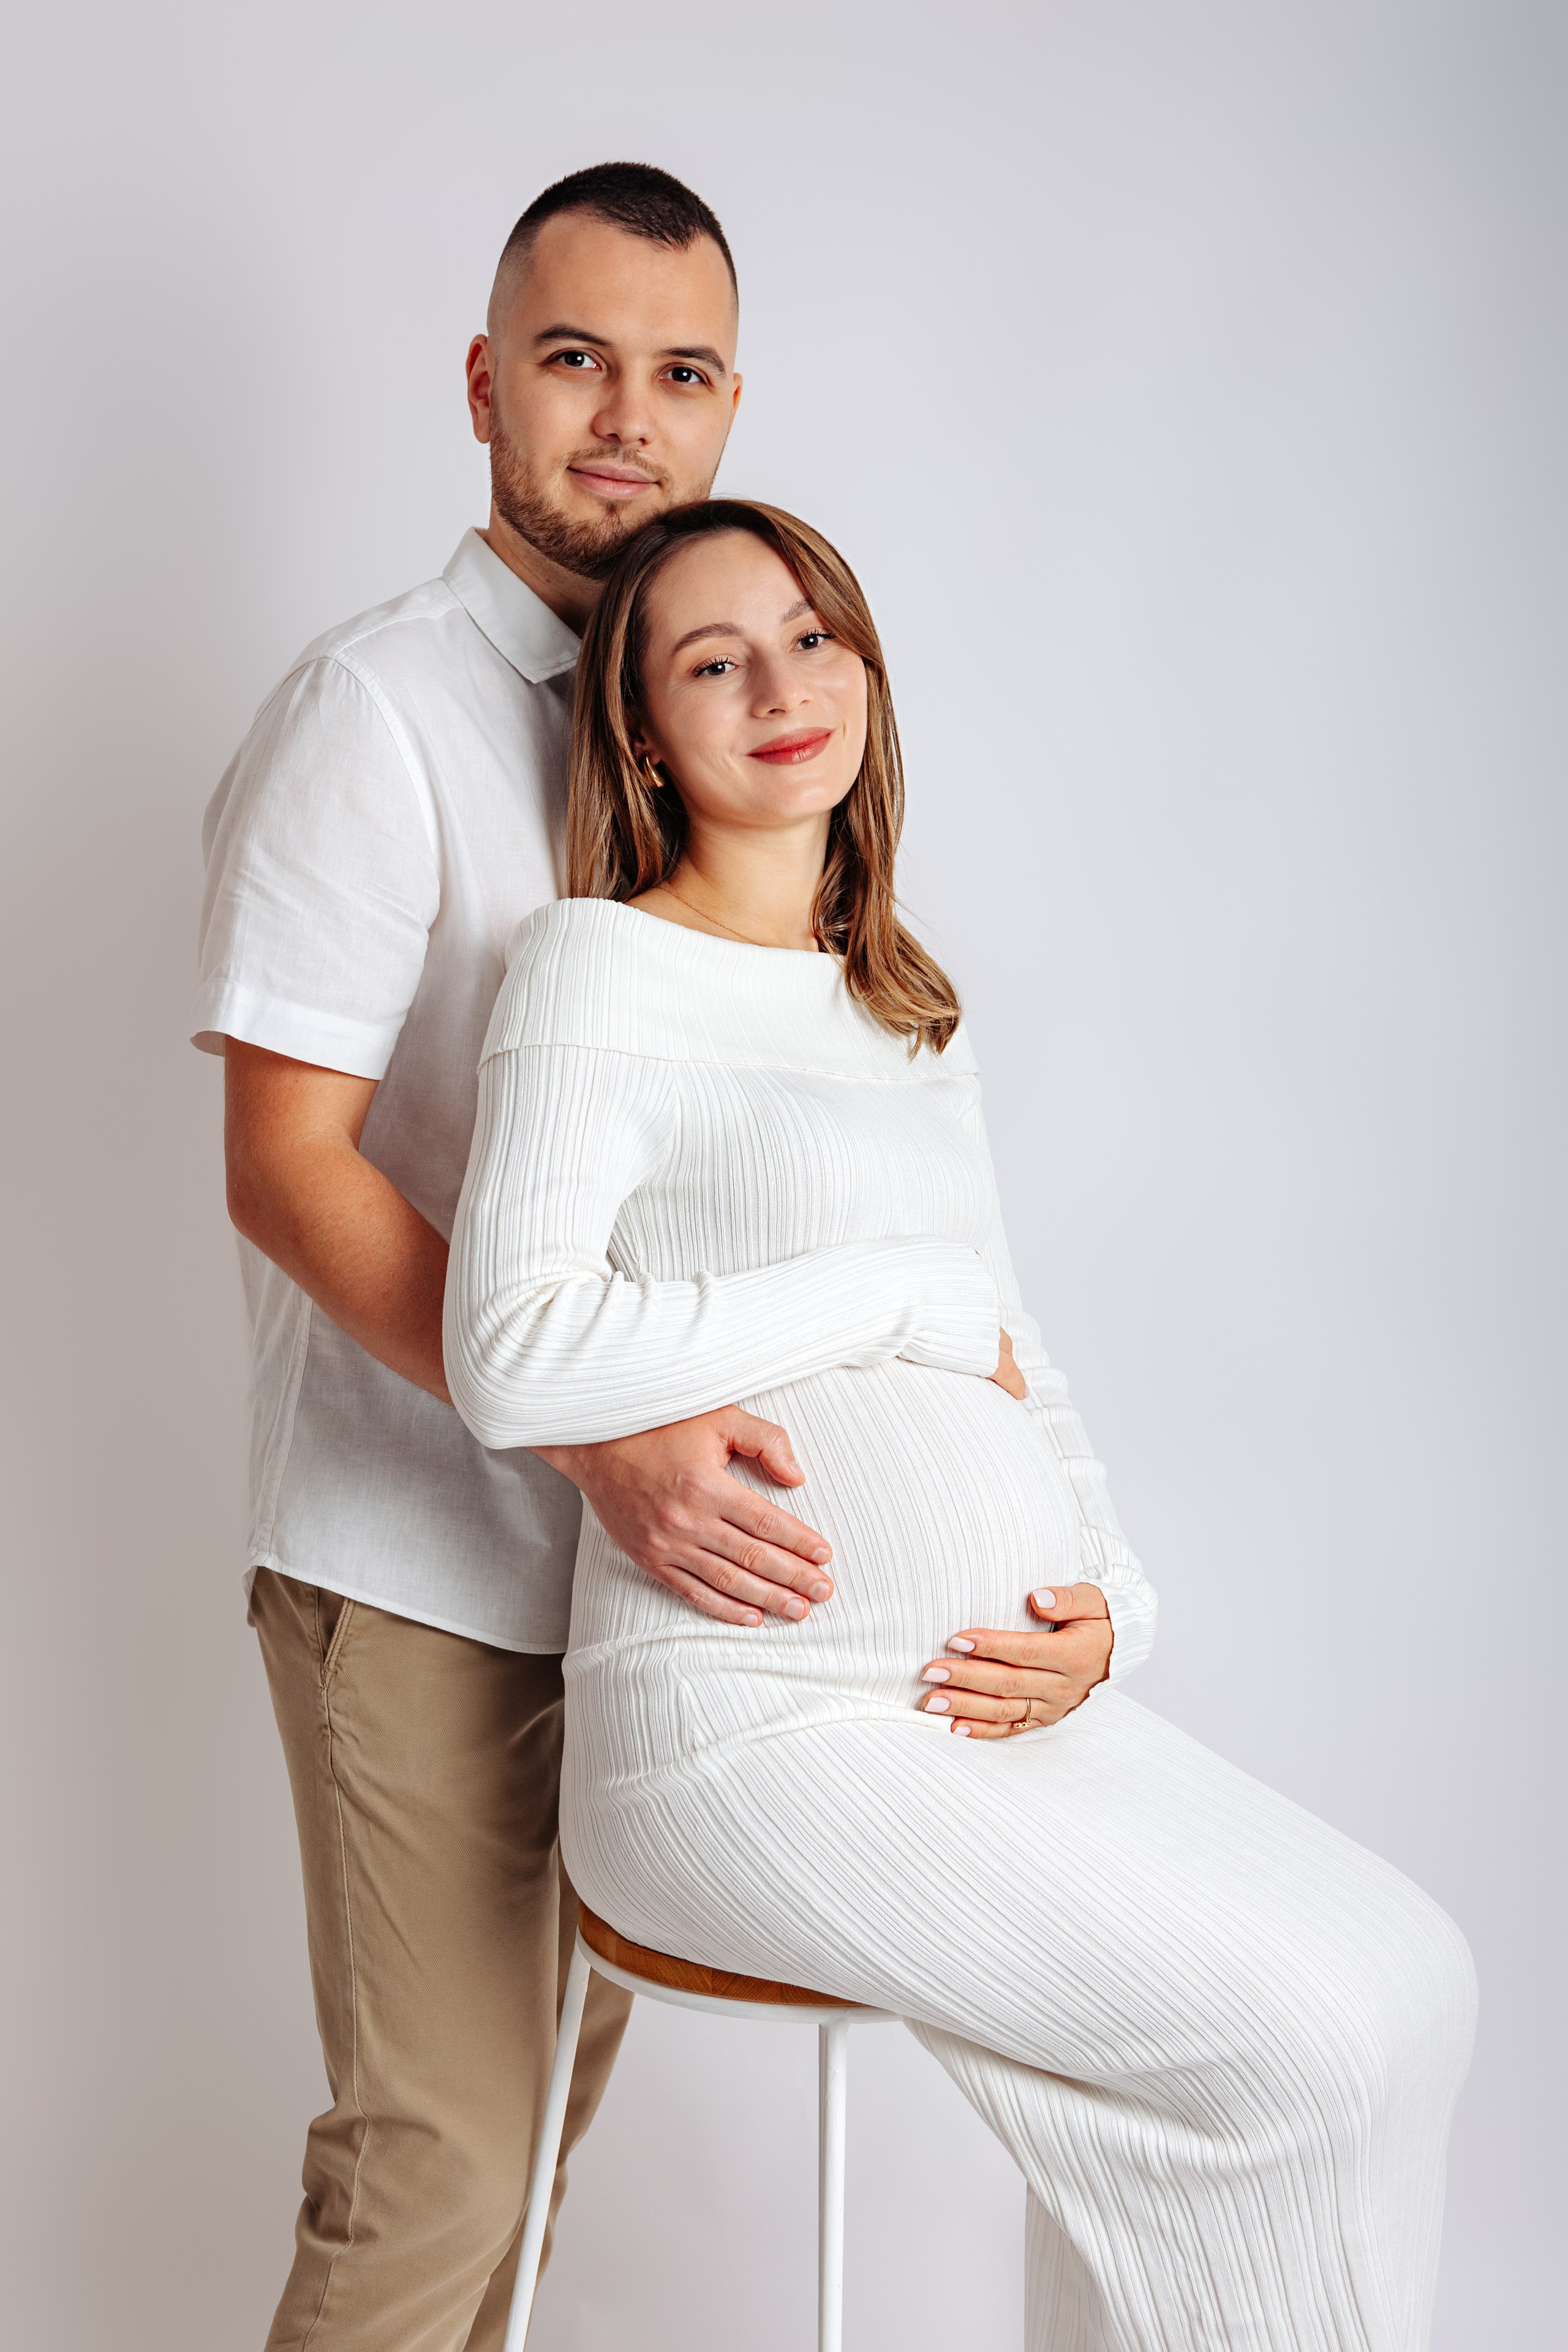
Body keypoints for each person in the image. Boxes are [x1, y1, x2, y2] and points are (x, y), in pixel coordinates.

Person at [445, 498, 1478, 2351]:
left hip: (976, 1702)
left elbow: (1021, 1355)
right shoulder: (597, 972)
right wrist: (884, 1300)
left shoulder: (903, 1007)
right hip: (741, 1728)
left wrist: (1110, 1611)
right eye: (712, 658)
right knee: (1300, 2051)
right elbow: (513, 1347)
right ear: (641, 733)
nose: (782, 685)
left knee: (1412, 1979)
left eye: (813, 634)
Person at [196, 163, 852, 2352]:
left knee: (534, 2153)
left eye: (678, 375)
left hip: (621, 1583)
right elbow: (286, 1168)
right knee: (441, 2162)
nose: (623, 420)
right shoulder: (373, 712)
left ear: (729, 410)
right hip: (411, 1549)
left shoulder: (688, 720)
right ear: (487, 384)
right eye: (574, 360)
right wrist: (605, 1446)